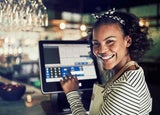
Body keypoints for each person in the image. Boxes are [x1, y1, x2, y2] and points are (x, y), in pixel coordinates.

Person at [60, 8, 153, 115]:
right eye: (96, 43)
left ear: (128, 41)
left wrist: (72, 94)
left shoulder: (126, 90)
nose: (101, 50)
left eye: (110, 41)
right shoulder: (132, 70)